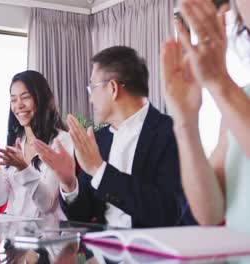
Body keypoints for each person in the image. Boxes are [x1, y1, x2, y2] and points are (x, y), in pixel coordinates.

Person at [34, 46, 196, 227]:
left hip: (150, 250)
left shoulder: (171, 132)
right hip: (101, 251)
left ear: (112, 88)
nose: (91, 99)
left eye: (92, 88)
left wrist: (99, 170)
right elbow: (81, 217)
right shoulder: (99, 139)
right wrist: (69, 183)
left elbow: (169, 211)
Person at [161, 0, 250, 232]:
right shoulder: (242, 96)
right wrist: (185, 123)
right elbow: (210, 213)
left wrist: (221, 83)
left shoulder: (232, 96)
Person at [0, 70, 73, 220]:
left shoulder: (62, 141)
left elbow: (46, 204)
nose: (18, 105)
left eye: (25, 97)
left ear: (41, 99)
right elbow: (0, 199)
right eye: (13, 100)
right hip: (14, 237)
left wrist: (24, 168)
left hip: (46, 238)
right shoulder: (17, 142)